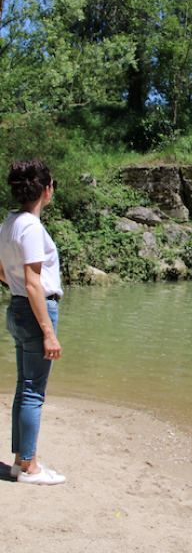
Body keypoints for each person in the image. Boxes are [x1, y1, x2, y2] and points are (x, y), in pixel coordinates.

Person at [0, 159, 66, 485]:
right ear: (45, 189)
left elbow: (4, 271)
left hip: (16, 308)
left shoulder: (9, 224)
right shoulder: (31, 227)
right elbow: (33, 283)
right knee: (33, 393)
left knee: (23, 387)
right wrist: (49, 333)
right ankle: (30, 468)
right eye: (52, 184)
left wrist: (13, 284)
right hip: (34, 309)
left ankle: (18, 462)